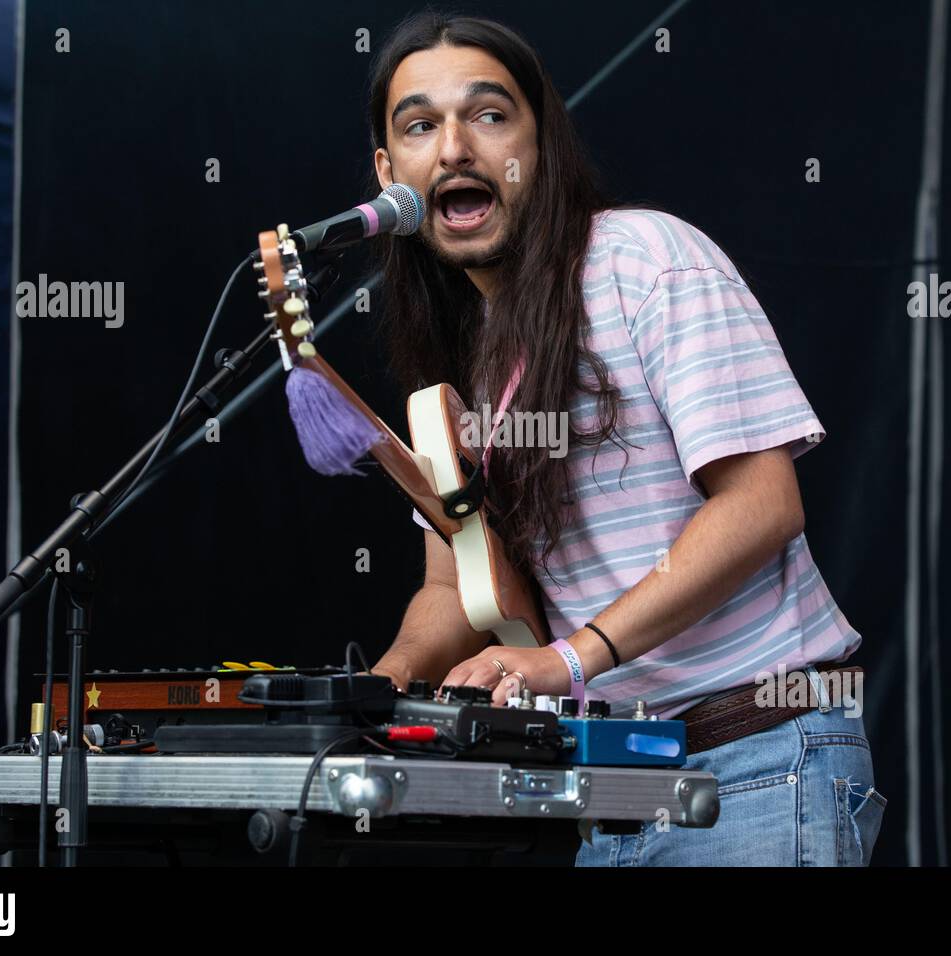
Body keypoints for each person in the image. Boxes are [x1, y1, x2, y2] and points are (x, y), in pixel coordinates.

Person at [366, 12, 886, 866]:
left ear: (541, 141)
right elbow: (452, 590)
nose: (454, 147)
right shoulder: (465, 365)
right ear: (391, 174)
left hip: (752, 765)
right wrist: (377, 689)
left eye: (490, 115)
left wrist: (570, 661)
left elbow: (762, 505)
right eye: (420, 125)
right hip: (611, 794)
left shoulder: (644, 260)